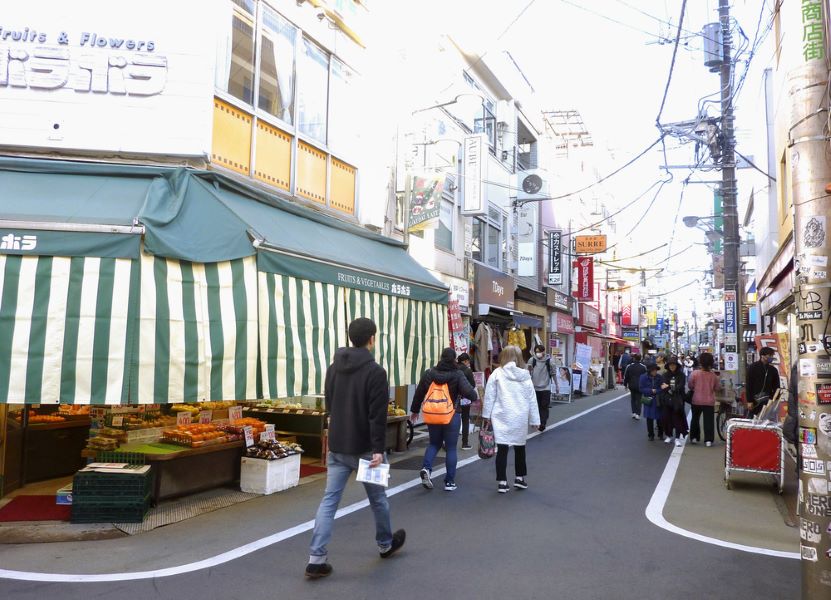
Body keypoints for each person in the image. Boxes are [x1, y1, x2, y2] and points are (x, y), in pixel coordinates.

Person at [306, 318, 405, 579]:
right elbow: (377, 416)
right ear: (372, 339)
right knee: (378, 500)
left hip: (338, 446)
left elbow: (329, 403)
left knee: (329, 501)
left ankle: (316, 558)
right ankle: (385, 544)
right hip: (366, 450)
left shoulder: (333, 367)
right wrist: (377, 449)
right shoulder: (376, 372)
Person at [411, 348, 478, 491]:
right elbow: (471, 394)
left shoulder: (429, 373)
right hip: (452, 414)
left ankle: (426, 469)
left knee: (434, 443)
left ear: (441, 358)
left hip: (433, 414)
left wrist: (414, 411)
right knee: (451, 448)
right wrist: (465, 395)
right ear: (454, 359)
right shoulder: (458, 374)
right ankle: (449, 482)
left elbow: (419, 392)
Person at [482, 345, 540, 493]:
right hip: (519, 416)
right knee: (520, 447)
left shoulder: (497, 373)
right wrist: (535, 420)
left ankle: (502, 481)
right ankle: (519, 478)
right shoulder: (525, 376)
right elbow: (532, 399)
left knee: (502, 449)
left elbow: (489, 396)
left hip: (501, 415)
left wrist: (486, 416)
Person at [688, 351, 721, 447]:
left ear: (700, 362)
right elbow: (717, 388)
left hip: (696, 400)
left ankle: (694, 437)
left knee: (695, 419)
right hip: (709, 401)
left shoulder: (695, 374)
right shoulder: (713, 376)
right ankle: (708, 440)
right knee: (708, 421)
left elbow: (690, 385)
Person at [660, 358, 688, 446]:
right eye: (670, 365)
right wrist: (671, 388)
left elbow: (680, 386)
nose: (672, 366)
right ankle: (669, 435)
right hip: (667, 400)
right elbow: (662, 386)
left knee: (678, 419)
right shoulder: (664, 375)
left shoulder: (681, 375)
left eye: (674, 364)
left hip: (678, 400)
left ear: (677, 365)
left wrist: (669, 387)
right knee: (667, 418)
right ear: (668, 366)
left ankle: (677, 437)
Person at [528, 344, 556, 431]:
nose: (538, 353)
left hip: (546, 387)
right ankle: (538, 422)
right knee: (537, 406)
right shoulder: (532, 360)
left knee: (544, 406)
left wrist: (557, 385)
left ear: (543, 352)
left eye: (539, 352)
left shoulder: (550, 361)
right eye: (536, 352)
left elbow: (553, 374)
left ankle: (542, 423)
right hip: (534, 387)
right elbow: (527, 373)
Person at [747, 347, 781, 417]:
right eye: (770, 355)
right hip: (755, 400)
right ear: (762, 356)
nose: (772, 357)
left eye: (772, 355)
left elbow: (776, 386)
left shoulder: (773, 370)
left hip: (768, 401)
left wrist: (775, 400)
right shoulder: (753, 367)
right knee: (754, 419)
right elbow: (749, 384)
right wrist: (749, 400)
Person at [638, 363, 664, 442]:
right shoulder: (643, 377)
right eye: (653, 370)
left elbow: (662, 387)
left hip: (658, 399)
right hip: (648, 399)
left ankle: (661, 434)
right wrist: (650, 391)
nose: (655, 371)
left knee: (660, 418)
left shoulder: (659, 377)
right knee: (649, 418)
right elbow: (641, 388)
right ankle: (651, 435)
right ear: (649, 371)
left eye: (656, 370)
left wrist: (657, 391)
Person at [456, 352, 476, 450]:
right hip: (465, 398)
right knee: (465, 420)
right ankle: (465, 443)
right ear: (465, 361)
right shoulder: (467, 371)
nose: (469, 363)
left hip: (453, 398)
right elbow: (472, 385)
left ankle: (447, 443)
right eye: (468, 361)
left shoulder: (453, 369)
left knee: (451, 420)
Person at [623, 353, 647, 420]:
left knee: (633, 399)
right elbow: (646, 377)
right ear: (640, 358)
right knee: (639, 400)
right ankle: (638, 414)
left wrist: (625, 385)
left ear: (634, 358)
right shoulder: (643, 367)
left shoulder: (629, 366)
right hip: (640, 385)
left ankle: (633, 412)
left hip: (632, 385)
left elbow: (626, 376)